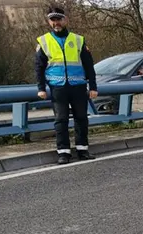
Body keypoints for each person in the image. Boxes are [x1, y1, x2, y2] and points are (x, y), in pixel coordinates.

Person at [35, 6, 98, 164]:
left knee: (81, 118)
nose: (56, 22)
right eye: (53, 20)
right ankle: (63, 153)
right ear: (49, 21)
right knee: (61, 119)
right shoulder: (44, 41)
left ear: (65, 20)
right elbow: (39, 67)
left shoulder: (78, 40)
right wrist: (41, 88)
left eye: (59, 19)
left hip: (78, 85)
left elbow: (89, 65)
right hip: (58, 87)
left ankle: (83, 150)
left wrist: (93, 86)